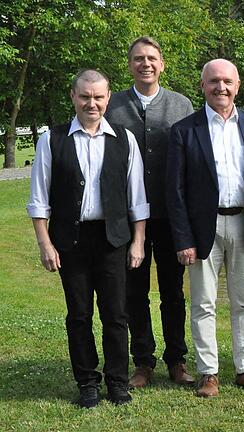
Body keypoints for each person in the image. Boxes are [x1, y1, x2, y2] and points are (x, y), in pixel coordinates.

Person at [27, 69, 149, 408]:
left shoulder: (124, 139)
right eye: (85, 96)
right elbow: (39, 198)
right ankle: (87, 383)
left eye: (98, 97)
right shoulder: (52, 140)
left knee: (116, 314)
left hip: (113, 239)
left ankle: (117, 382)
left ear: (108, 98)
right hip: (71, 240)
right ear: (73, 96)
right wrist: (44, 243)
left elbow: (137, 197)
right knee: (78, 315)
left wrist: (138, 241)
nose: (91, 103)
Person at [166, 59, 244, 397]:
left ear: (238, 85)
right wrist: (183, 238)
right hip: (204, 227)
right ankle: (208, 373)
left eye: (227, 81)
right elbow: (174, 191)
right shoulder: (185, 130)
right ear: (202, 86)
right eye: (214, 81)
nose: (221, 87)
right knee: (203, 302)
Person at [105, 36, 195, 389]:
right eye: (139, 58)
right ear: (130, 65)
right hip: (127, 218)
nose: (146, 64)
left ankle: (177, 359)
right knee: (133, 291)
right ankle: (142, 361)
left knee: (173, 291)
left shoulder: (181, 104)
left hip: (172, 215)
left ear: (162, 64)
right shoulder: (111, 106)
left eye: (152, 58)